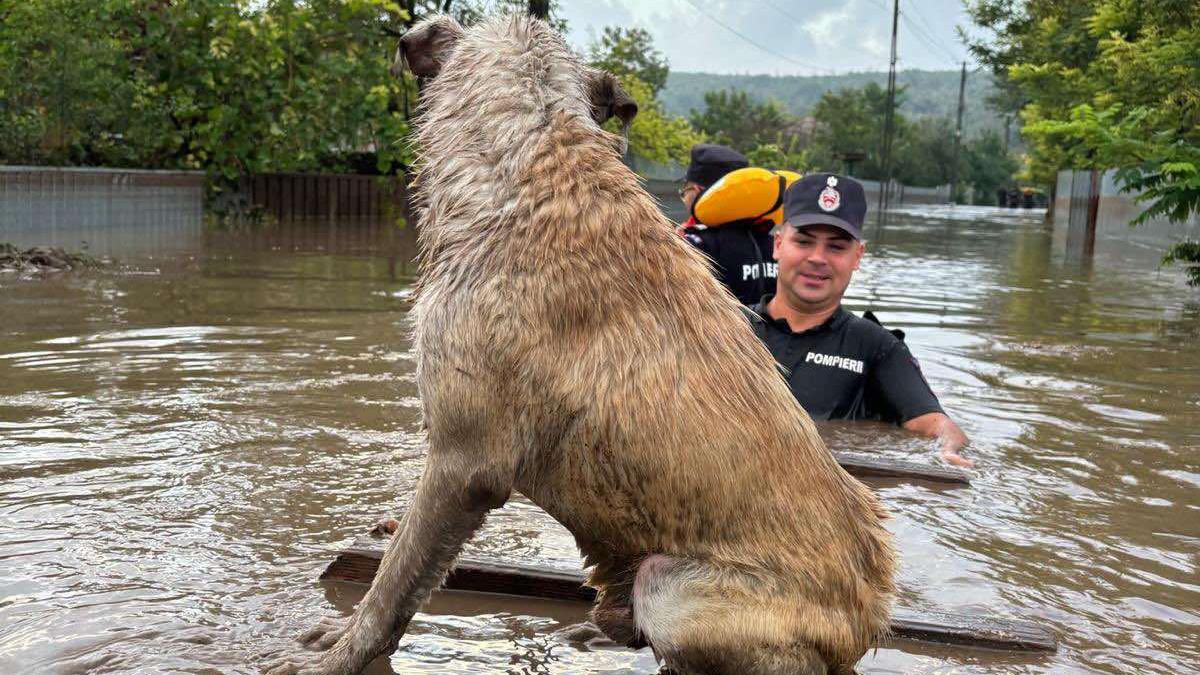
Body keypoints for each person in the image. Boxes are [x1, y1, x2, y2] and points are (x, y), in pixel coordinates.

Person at [746, 173, 973, 467]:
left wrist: (947, 450)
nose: (817, 258)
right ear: (778, 245)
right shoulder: (726, 326)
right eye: (803, 241)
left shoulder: (876, 346)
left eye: (836, 247)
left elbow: (936, 425)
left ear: (858, 256)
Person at [677, 144, 777, 304]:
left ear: (696, 191)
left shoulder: (696, 244)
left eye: (685, 192)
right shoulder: (773, 242)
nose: (684, 199)